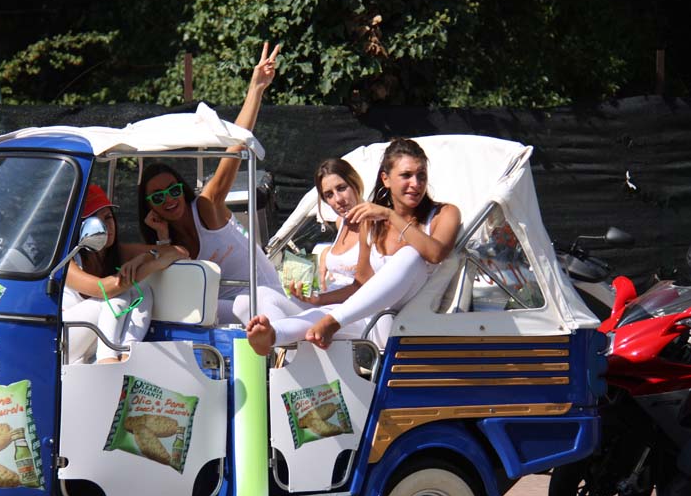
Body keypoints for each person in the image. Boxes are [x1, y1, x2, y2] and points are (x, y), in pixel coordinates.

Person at [246, 137, 461, 355]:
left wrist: (390, 215)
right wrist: (319, 299)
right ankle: (273, 335)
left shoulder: (444, 213)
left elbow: (435, 253)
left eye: (421, 175)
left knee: (410, 255)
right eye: (406, 175)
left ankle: (332, 321)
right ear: (386, 179)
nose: (416, 183)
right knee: (317, 316)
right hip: (368, 318)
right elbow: (361, 286)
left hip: (406, 320)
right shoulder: (372, 222)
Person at [138, 42, 283, 324]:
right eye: (157, 197)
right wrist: (162, 236)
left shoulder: (206, 206)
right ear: (149, 207)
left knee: (217, 308)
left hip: (264, 301)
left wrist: (256, 88)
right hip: (223, 312)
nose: (169, 199)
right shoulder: (170, 242)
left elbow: (235, 148)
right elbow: (178, 280)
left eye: (173, 190)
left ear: (183, 190)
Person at [231, 158, 366, 323]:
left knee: (267, 303)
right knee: (245, 300)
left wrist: (319, 299)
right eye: (329, 195)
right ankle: (274, 336)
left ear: (355, 183)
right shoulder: (342, 222)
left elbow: (364, 287)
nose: (338, 199)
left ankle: (276, 337)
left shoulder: (375, 225)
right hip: (325, 300)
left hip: (347, 310)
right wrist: (327, 252)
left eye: (342, 188)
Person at [62, 186, 187, 363]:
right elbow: (103, 289)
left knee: (142, 289)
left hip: (91, 341)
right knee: (118, 295)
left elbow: (180, 251)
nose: (107, 226)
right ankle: (107, 359)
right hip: (63, 341)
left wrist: (146, 257)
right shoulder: (67, 260)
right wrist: (152, 266)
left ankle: (126, 353)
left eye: (108, 217)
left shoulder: (118, 251)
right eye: (96, 222)